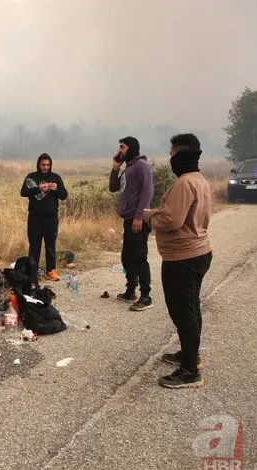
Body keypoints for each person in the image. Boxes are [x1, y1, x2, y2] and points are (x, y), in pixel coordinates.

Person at [143, 133, 213, 389]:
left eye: (172, 156)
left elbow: (171, 221)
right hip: (198, 252)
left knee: (182, 312)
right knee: (190, 308)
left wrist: (151, 216)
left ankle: (190, 371)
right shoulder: (200, 180)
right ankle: (189, 355)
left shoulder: (184, 183)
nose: (170, 161)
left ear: (181, 157)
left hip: (183, 257)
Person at [108, 136, 154, 311]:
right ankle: (130, 291)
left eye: (122, 147)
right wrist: (115, 168)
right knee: (127, 257)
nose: (119, 150)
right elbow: (113, 188)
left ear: (132, 148)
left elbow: (147, 192)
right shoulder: (128, 168)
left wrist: (139, 216)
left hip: (138, 220)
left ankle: (146, 296)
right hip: (128, 219)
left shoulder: (142, 166)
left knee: (139, 258)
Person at [20, 153, 68, 281]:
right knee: (34, 246)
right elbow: (23, 192)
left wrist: (55, 189)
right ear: (38, 165)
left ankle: (51, 270)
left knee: (50, 246)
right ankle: (33, 272)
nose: (45, 167)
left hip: (51, 218)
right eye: (43, 165)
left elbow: (64, 195)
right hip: (35, 218)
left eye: (48, 165)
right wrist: (38, 188)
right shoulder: (31, 177)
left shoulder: (56, 177)